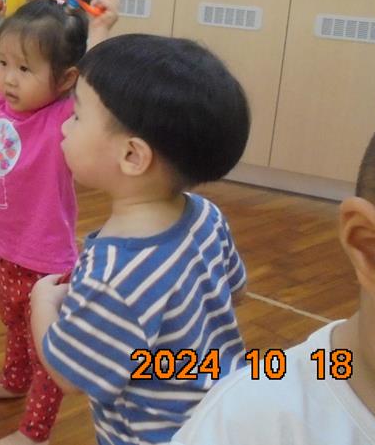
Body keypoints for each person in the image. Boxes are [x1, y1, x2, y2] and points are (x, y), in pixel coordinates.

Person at [29, 34, 252, 445]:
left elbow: (69, 374)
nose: (63, 125)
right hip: (222, 414)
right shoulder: (206, 215)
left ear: (132, 156)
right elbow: (236, 292)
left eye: (76, 116)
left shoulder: (112, 275)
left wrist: (41, 302)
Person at [173, 74, 375, 445]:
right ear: (372, 250)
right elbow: (238, 288)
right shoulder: (210, 217)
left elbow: (96, 372)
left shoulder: (109, 265)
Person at [0, 0, 114, 445]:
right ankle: (13, 380)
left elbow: (95, 86)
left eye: (25, 69)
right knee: (13, 324)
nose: (8, 77)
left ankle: (35, 431)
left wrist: (100, 30)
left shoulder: (64, 116)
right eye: (6, 64)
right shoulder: (1, 101)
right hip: (5, 250)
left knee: (46, 347)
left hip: (46, 260)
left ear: (66, 80)